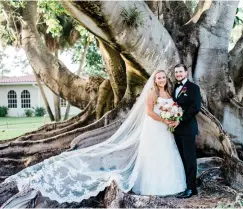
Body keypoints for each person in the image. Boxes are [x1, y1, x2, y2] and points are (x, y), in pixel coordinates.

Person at [1, 70, 186, 208]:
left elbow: (170, 108)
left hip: (165, 129)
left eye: (163, 77)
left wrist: (172, 118)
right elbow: (148, 112)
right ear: (154, 79)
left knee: (167, 154)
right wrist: (165, 118)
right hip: (155, 127)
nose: (161, 79)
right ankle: (154, 185)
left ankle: (171, 184)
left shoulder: (169, 93)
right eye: (158, 77)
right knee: (154, 154)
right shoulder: (152, 92)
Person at [170, 64, 201, 199]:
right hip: (176, 130)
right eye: (176, 72)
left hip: (188, 128)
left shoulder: (193, 88)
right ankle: (184, 184)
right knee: (181, 158)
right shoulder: (174, 88)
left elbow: (195, 107)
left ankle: (191, 188)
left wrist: (180, 119)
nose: (178, 74)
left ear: (186, 72)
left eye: (180, 72)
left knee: (190, 159)